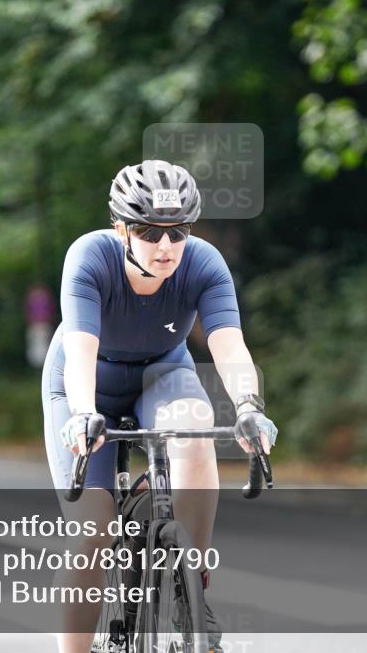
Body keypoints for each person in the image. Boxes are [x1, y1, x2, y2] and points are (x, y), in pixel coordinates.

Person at [42, 159, 279, 653]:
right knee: (93, 536)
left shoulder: (204, 263)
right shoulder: (89, 257)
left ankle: (192, 588)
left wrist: (249, 406)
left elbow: (229, 345)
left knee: (195, 425)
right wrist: (84, 415)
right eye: (149, 231)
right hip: (86, 384)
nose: (166, 246)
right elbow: (81, 352)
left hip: (161, 374)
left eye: (178, 231)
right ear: (121, 230)